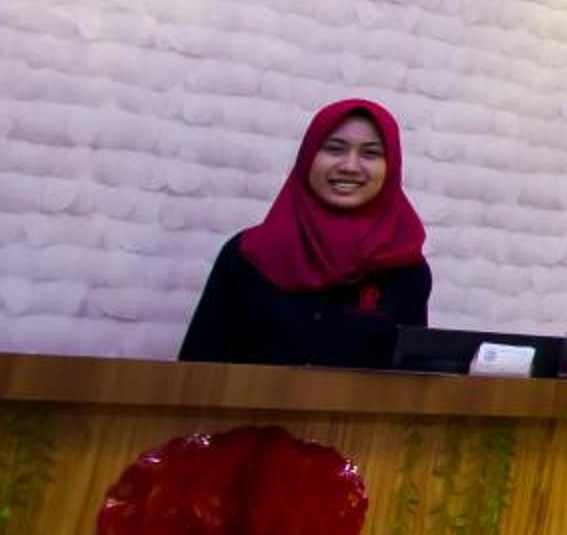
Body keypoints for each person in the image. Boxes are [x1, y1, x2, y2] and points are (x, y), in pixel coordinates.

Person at [179, 99, 432, 367]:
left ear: (391, 167)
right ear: (308, 157)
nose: (350, 166)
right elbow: (196, 372)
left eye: (370, 154)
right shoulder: (248, 254)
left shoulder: (405, 268)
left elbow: (413, 381)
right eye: (334, 149)